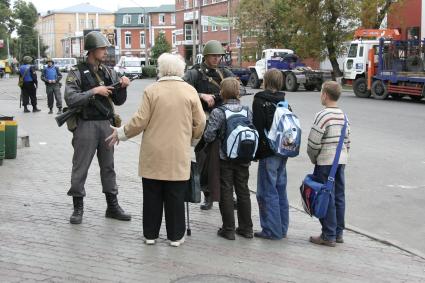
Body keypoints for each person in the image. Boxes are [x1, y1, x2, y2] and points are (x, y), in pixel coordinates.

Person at [106, 53, 206, 247]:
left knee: (151, 195)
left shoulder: (151, 90)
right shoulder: (190, 91)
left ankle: (150, 235)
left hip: (153, 153)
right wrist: (192, 139)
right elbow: (201, 121)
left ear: (161, 69)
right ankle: (175, 237)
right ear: (180, 70)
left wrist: (121, 133)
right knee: (176, 196)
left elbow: (140, 120)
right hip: (178, 152)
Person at [64, 31, 132, 225]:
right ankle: (78, 208)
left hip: (105, 124)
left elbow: (118, 101)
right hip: (85, 124)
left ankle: (112, 206)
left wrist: (123, 86)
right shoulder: (76, 72)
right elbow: (70, 98)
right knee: (80, 167)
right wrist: (94, 91)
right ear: (92, 50)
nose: (105, 52)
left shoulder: (109, 72)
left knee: (108, 167)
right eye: (102, 49)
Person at [183, 40, 234, 210]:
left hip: (223, 119)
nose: (217, 59)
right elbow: (183, 89)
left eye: (219, 56)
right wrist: (201, 95)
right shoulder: (195, 73)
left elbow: (236, 90)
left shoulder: (225, 72)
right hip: (202, 119)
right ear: (206, 56)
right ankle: (208, 196)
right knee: (203, 160)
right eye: (214, 56)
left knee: (226, 159)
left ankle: (228, 194)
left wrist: (220, 98)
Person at [203, 77, 253, 240]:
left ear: (222, 93)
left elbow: (209, 136)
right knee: (243, 191)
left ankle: (229, 229)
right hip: (244, 157)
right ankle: (246, 228)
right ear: (238, 92)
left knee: (226, 190)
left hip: (225, 158)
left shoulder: (219, 112)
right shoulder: (246, 110)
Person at [307, 81, 351, 247]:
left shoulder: (322, 115)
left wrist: (314, 159)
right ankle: (338, 233)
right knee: (339, 196)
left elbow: (313, 143)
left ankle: (328, 235)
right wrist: (344, 160)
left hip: (326, 162)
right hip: (340, 162)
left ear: (325, 95)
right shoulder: (344, 116)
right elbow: (347, 141)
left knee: (326, 196)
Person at [252, 69, 289, 240]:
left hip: (268, 152)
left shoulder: (260, 100)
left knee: (266, 191)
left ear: (265, 81)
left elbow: (258, 127)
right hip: (283, 151)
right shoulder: (284, 100)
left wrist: (256, 153)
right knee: (280, 190)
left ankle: (271, 230)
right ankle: (282, 227)